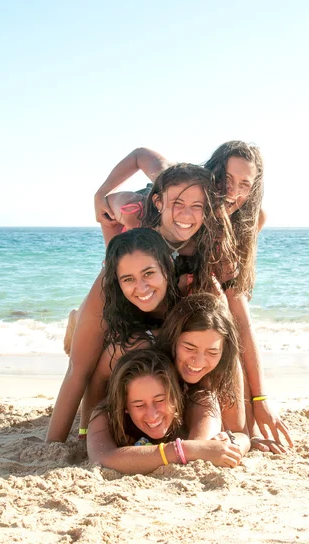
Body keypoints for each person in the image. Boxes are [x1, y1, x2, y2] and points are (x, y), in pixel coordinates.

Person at [93, 143, 293, 451]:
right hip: (142, 287)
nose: (232, 191)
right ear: (210, 175)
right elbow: (140, 154)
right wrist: (102, 194)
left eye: (244, 184)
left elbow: (241, 323)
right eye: (225, 179)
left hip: (183, 299)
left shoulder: (245, 220)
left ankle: (238, 425)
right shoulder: (172, 194)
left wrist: (257, 408)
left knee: (223, 325)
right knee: (107, 330)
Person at [47, 161, 231, 443]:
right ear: (157, 202)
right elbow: (81, 372)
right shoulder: (119, 266)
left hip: (155, 331)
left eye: (196, 205)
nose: (186, 213)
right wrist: (71, 438)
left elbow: (228, 345)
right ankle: (78, 320)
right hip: (116, 320)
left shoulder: (193, 277)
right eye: (178, 203)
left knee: (187, 349)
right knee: (114, 347)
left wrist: (243, 429)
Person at [91, 293, 250, 457]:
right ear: (173, 340)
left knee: (206, 399)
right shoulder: (142, 349)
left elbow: (241, 434)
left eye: (212, 352)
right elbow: (98, 379)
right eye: (189, 348)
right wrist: (85, 429)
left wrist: (230, 442)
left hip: (184, 415)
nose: (198, 362)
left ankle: (197, 453)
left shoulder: (221, 368)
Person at [87, 349, 245, 474]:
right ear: (125, 406)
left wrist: (230, 443)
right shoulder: (105, 414)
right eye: (139, 405)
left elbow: (238, 439)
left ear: (177, 395)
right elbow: (102, 458)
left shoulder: (199, 401)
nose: (152, 414)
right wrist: (183, 450)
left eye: (160, 400)